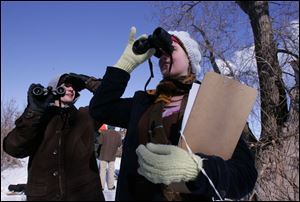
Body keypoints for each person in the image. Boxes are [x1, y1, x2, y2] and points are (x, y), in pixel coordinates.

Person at [89, 26, 257, 201]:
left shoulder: (210, 103)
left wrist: (197, 169)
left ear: (190, 58)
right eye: (160, 53)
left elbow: (245, 175)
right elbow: (100, 109)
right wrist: (125, 66)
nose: (163, 57)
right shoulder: (144, 101)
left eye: (170, 49)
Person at [3, 73, 105, 201]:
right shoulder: (38, 120)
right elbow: (14, 148)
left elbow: (108, 99)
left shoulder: (85, 117)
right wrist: (34, 112)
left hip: (85, 195)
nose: (71, 89)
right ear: (54, 89)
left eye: (74, 87)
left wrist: (89, 82)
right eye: (66, 85)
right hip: (44, 196)